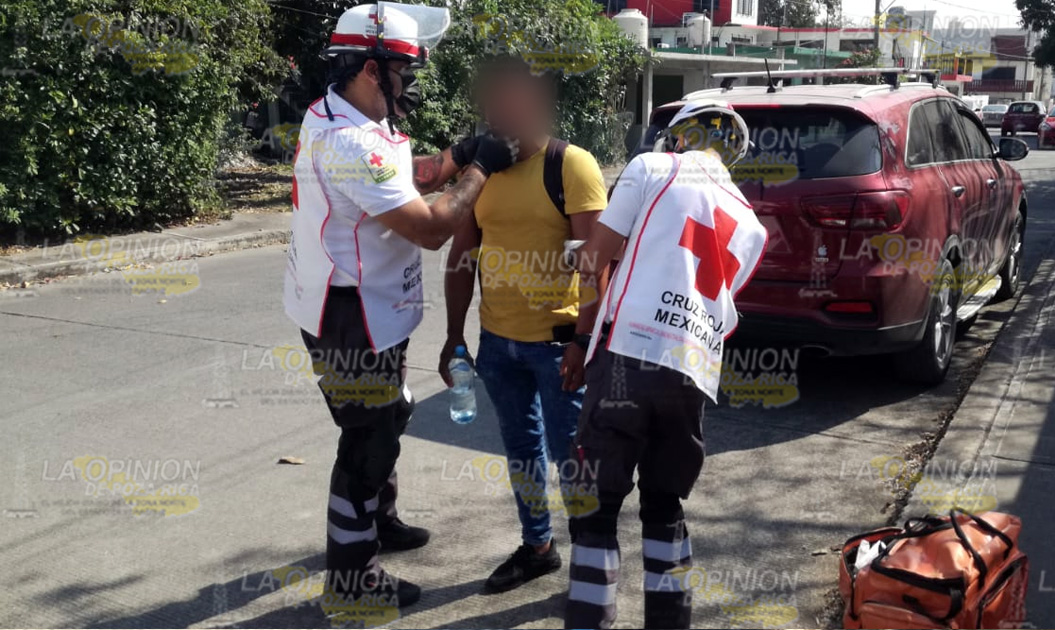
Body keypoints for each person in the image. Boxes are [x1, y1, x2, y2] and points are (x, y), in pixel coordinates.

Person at [283, 2, 520, 608]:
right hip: (351, 315)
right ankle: (352, 577)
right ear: (370, 68)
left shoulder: (345, 116)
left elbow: (402, 174)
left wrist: (456, 155)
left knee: (390, 417)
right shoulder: (347, 140)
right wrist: (482, 171)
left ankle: (375, 522)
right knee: (367, 442)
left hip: (365, 307)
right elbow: (432, 227)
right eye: (405, 73)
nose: (412, 84)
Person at [563, 100, 768, 629]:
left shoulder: (650, 168)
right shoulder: (750, 223)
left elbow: (595, 259)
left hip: (628, 354)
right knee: (664, 506)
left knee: (596, 505)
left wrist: (572, 254)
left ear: (678, 137)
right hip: (692, 371)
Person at [437, 55, 610, 594]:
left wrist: (585, 338)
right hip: (497, 345)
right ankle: (537, 547)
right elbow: (461, 255)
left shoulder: (571, 166)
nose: (496, 109)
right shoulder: (482, 173)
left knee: (573, 461)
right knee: (521, 455)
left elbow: (594, 264)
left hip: (559, 349)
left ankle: (590, 565)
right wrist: (452, 336)